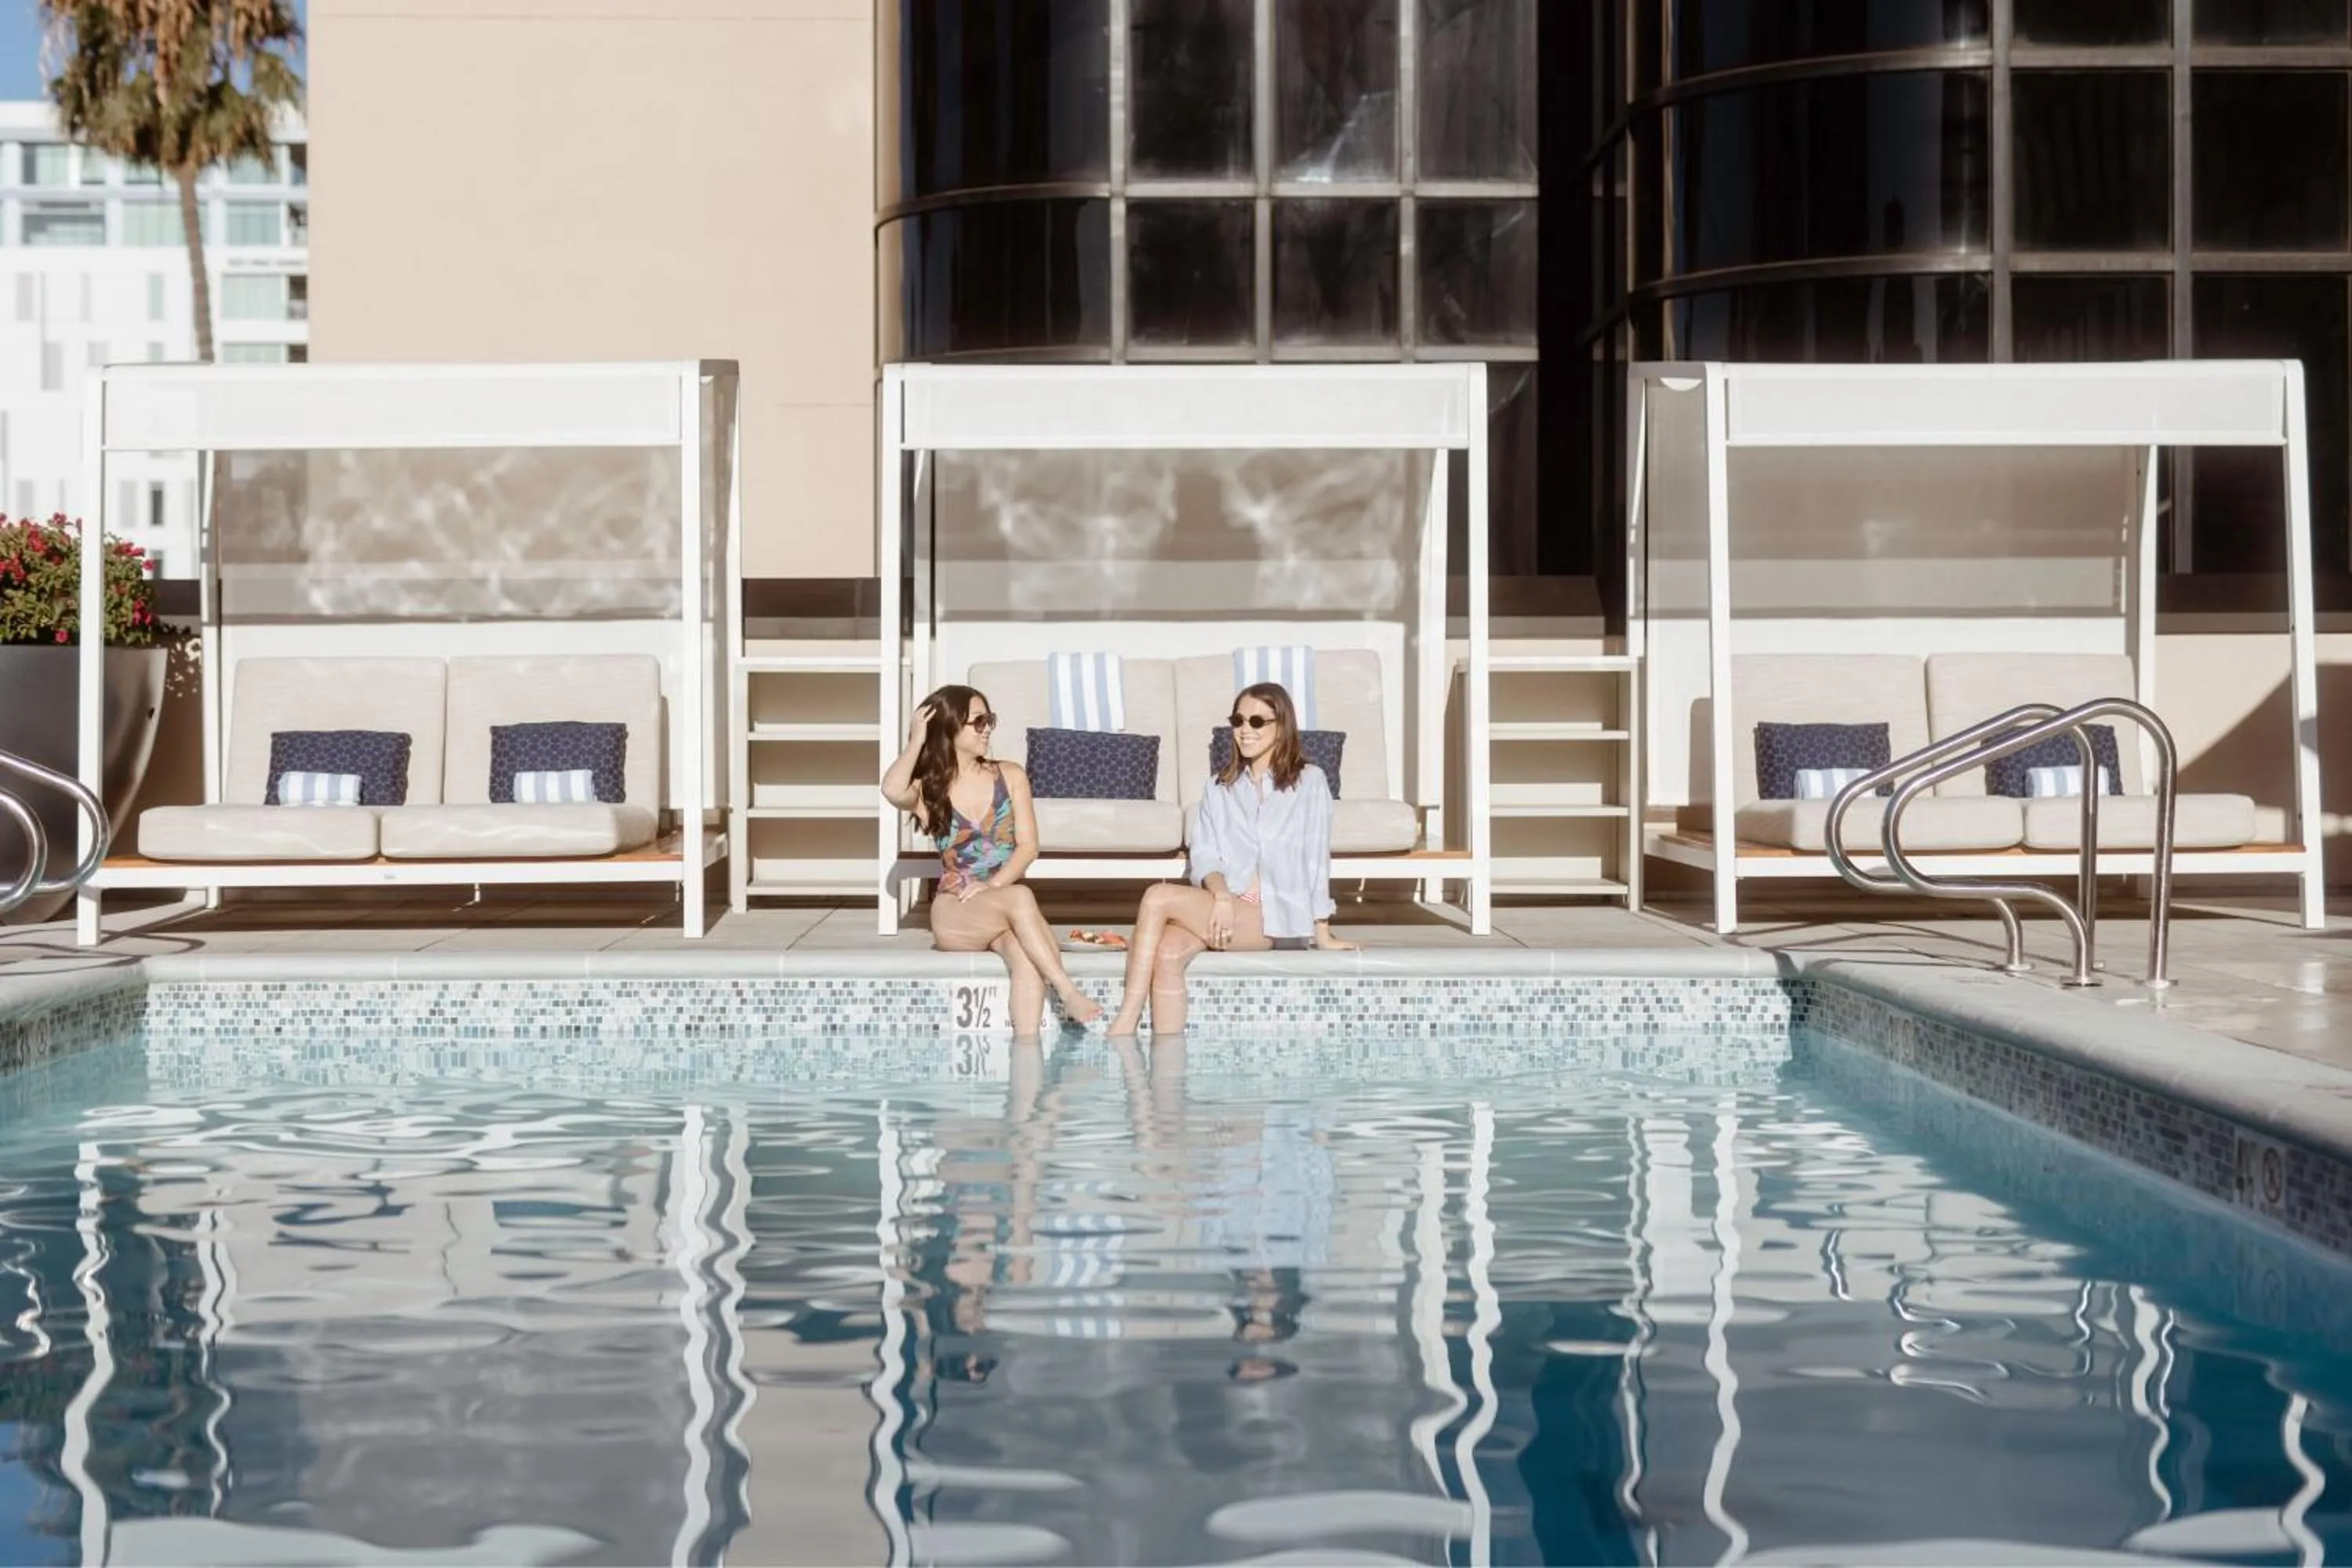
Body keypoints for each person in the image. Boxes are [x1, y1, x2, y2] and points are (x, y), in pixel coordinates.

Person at [1107, 681, 1355, 1036]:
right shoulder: (1219, 786)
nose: (1244, 730)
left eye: (1257, 721)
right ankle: (1168, 1073)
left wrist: (1323, 932)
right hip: (1223, 906)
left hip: (1273, 916)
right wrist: (1222, 897)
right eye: (1238, 720)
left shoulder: (1310, 782)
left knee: (1158, 896)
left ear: (1281, 725)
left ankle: (1126, 1019)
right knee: (1167, 955)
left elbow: (1316, 859)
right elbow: (1204, 854)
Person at [881, 685, 1102, 1032]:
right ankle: (1068, 990)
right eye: (978, 721)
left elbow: (1029, 847)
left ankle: (1027, 1064)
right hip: (956, 909)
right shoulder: (930, 789)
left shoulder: (1010, 776)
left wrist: (992, 886)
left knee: (1025, 959)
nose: (987, 728)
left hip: (1000, 906)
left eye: (990, 720)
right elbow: (892, 789)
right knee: (1021, 896)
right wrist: (916, 739)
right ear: (951, 728)